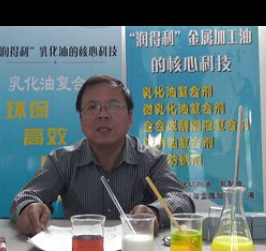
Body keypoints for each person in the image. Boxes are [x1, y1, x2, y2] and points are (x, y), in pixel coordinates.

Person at [11, 75, 195, 236]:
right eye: (92, 107)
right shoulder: (62, 161)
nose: (103, 115)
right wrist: (28, 208)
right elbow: (27, 196)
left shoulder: (151, 160)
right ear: (81, 120)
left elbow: (182, 199)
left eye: (113, 106)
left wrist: (154, 213)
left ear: (130, 118)